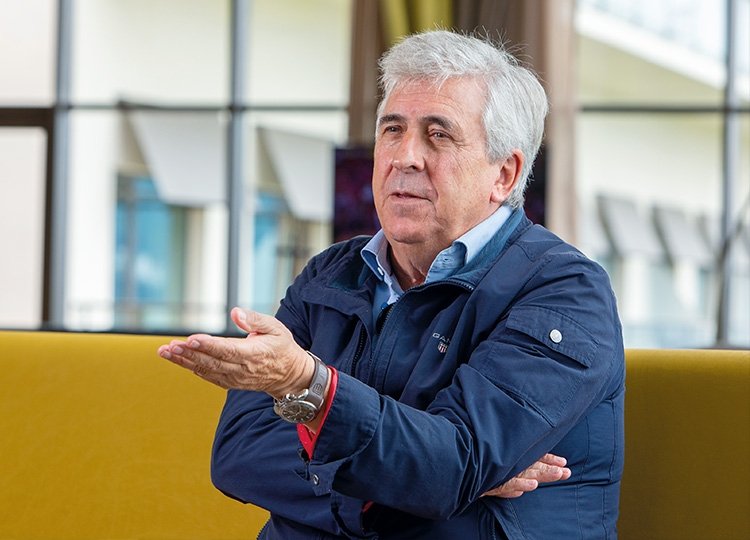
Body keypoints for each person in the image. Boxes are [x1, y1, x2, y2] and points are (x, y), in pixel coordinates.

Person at [158, 30, 625, 539]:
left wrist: (309, 388)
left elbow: (451, 466)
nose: (405, 156)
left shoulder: (565, 292)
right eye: (393, 130)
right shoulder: (331, 272)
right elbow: (240, 453)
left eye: (438, 134)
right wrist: (408, 475)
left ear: (504, 174)